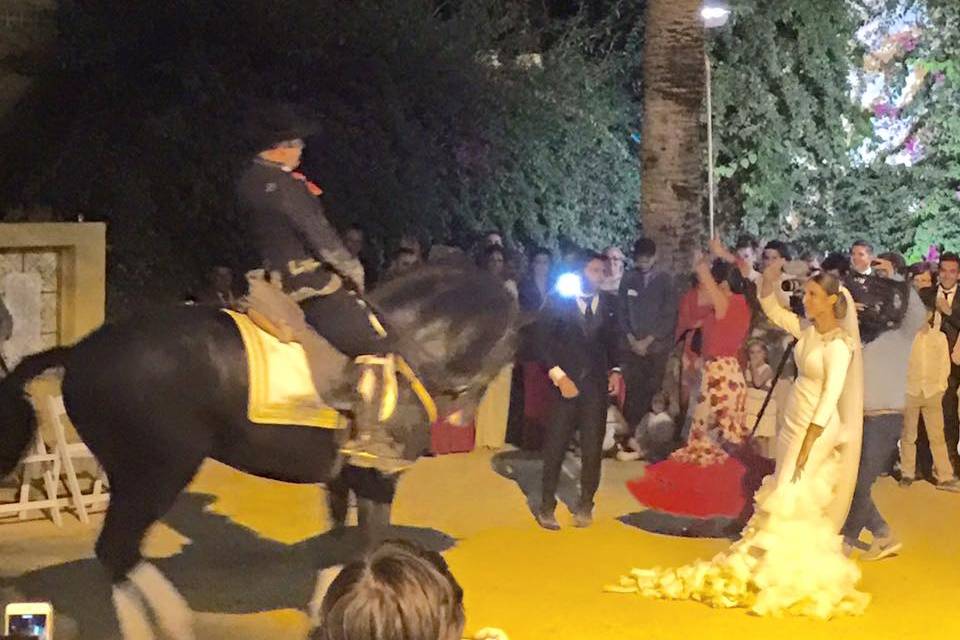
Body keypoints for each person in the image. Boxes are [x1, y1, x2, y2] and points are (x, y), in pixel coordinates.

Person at [611, 260, 869, 619]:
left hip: (818, 426)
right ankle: (773, 562)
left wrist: (813, 436)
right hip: (794, 418)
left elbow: (831, 395)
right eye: (806, 294)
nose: (806, 300)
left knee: (793, 491)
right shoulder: (806, 330)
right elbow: (773, 308)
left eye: (812, 295)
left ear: (830, 300)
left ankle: (795, 569)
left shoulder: (839, 345)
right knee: (783, 483)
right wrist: (768, 279)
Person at [237, 129, 388, 360]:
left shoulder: (246, 182)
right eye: (297, 143)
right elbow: (320, 237)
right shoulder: (288, 186)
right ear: (279, 148)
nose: (301, 149)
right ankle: (352, 392)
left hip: (258, 281)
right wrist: (353, 270)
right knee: (373, 342)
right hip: (302, 282)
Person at [624, 256, 752, 519]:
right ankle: (720, 499)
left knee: (712, 438)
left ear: (722, 283)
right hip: (726, 373)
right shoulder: (741, 304)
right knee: (720, 437)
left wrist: (703, 260)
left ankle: (716, 500)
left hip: (720, 374)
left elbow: (704, 274)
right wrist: (721, 254)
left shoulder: (727, 302)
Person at [840, 253, 926, 560]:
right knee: (849, 481)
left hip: (885, 416)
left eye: (881, 275)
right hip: (855, 416)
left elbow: (918, 314)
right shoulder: (860, 331)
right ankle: (883, 534)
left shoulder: (900, 331)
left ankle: (846, 542)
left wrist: (894, 279)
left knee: (861, 480)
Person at [534, 251, 624, 530]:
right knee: (555, 447)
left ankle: (586, 502)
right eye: (595, 270)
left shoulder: (610, 304)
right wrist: (559, 377)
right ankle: (546, 504)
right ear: (581, 273)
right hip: (565, 386)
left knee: (592, 449)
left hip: (595, 387)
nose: (601, 276)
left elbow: (615, 341)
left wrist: (617, 371)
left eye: (602, 271)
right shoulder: (557, 302)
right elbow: (541, 342)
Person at [618, 238, 676, 426]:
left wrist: (648, 341)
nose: (642, 264)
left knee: (653, 390)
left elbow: (668, 315)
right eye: (639, 260)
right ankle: (631, 431)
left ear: (654, 257)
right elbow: (621, 310)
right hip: (631, 346)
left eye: (646, 260)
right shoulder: (628, 278)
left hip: (656, 348)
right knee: (633, 390)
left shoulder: (666, 280)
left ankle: (652, 433)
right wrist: (631, 339)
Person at [901, 310, 960, 491]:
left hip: (932, 392)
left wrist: (941, 387)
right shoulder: (906, 338)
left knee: (937, 436)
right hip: (911, 391)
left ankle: (945, 476)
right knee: (909, 435)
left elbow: (945, 364)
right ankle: (907, 473)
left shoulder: (939, 337)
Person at [918, 252, 960, 475]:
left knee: (950, 409)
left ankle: (950, 459)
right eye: (943, 270)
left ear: (959, 274)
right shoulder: (926, 294)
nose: (947, 275)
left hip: (954, 361)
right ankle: (923, 462)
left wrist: (948, 312)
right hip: (927, 362)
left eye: (952, 271)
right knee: (926, 408)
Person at [475, 246, 518, 449]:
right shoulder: (479, 285)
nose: (496, 264)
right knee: (484, 389)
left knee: (501, 389)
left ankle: (495, 437)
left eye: (499, 261)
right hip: (484, 342)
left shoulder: (509, 286)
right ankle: (481, 437)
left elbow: (514, 314)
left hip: (504, 340)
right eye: (492, 260)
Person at [744, 339, 777, 458]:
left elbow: (757, 383)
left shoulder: (767, 369)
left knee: (761, 438)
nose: (755, 356)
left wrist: (753, 367)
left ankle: (764, 464)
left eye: (759, 352)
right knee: (750, 437)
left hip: (763, 406)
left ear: (764, 354)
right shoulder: (747, 369)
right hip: (751, 406)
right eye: (752, 353)